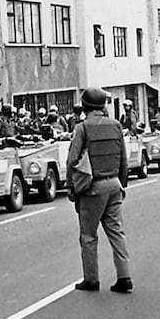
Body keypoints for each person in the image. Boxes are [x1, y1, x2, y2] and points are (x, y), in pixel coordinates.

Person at [68, 88, 132, 294]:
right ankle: (124, 277)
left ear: (85, 106)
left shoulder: (82, 128)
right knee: (117, 233)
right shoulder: (116, 125)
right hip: (114, 184)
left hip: (92, 188)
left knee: (88, 235)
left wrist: (72, 188)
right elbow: (123, 159)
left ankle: (91, 279)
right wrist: (121, 183)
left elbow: (72, 161)